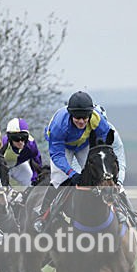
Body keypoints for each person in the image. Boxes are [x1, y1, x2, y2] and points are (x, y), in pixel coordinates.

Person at [34, 90, 114, 231]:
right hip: (64, 147)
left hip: (83, 145)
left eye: (85, 117)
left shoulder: (98, 119)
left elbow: (103, 142)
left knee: (97, 173)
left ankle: (117, 207)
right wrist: (71, 172)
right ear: (71, 115)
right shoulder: (59, 126)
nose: (82, 121)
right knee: (59, 178)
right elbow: (57, 156)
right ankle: (43, 213)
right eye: (77, 118)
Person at [1, 117, 43, 187]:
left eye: (24, 137)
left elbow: (37, 163)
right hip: (3, 167)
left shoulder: (31, 145)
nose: (20, 142)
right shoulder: (3, 144)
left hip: (18, 166)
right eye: (16, 138)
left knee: (30, 179)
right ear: (9, 138)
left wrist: (35, 178)